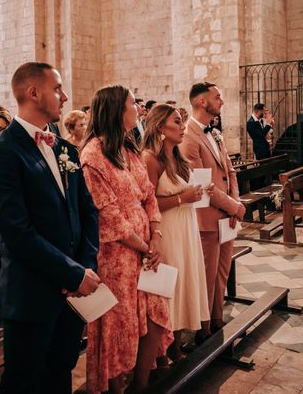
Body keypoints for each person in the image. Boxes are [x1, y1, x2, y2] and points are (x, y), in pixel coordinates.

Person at [0, 62, 99, 394]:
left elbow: (87, 210)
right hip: (32, 292)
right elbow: (18, 234)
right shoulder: (0, 153)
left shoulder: (63, 148)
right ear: (33, 92)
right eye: (57, 88)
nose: (64, 96)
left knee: (61, 370)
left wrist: (86, 265)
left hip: (72, 292)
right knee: (23, 381)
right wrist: (72, 274)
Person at [81, 85, 172, 393]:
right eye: (133, 104)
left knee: (156, 313)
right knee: (121, 326)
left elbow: (149, 195)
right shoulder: (93, 156)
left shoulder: (129, 148)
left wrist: (156, 236)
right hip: (116, 257)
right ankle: (116, 385)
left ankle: (142, 383)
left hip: (147, 246)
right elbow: (109, 217)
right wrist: (146, 246)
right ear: (116, 110)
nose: (138, 109)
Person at [142, 103, 212, 362]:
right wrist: (183, 198)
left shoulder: (178, 158)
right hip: (167, 231)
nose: (183, 127)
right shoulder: (150, 158)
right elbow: (147, 205)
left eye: (182, 122)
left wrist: (200, 193)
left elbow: (185, 193)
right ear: (160, 127)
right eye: (177, 122)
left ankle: (177, 347)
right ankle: (163, 355)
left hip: (186, 229)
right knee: (169, 291)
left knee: (184, 286)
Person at [179, 82, 245, 335]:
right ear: (201, 102)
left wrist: (235, 205)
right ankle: (203, 329)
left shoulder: (214, 132)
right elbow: (202, 183)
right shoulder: (188, 136)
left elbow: (230, 171)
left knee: (222, 273)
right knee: (206, 277)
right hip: (206, 218)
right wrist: (233, 207)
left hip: (226, 216)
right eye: (218, 97)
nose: (222, 101)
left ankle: (217, 319)